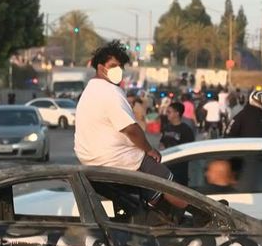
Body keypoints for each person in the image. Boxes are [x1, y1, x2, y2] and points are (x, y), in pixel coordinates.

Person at [74, 40, 186, 209]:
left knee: (152, 195)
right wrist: (149, 149)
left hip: (92, 159)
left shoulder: (89, 91)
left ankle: (159, 210)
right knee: (166, 181)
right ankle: (196, 214)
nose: (117, 70)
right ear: (100, 67)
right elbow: (130, 129)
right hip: (116, 158)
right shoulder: (110, 92)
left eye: (120, 66)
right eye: (113, 66)